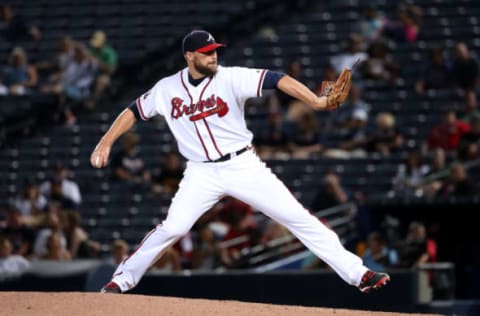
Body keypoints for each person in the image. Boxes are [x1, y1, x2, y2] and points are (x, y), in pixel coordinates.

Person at [91, 30, 389, 294]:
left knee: (296, 217)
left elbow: (276, 78)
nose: (213, 56)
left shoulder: (231, 76)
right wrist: (106, 141)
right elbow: (133, 110)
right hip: (200, 172)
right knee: (173, 228)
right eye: (206, 53)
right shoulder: (166, 89)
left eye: (215, 51)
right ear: (190, 56)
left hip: (242, 165)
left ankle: (358, 274)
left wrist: (313, 100)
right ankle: (121, 281)